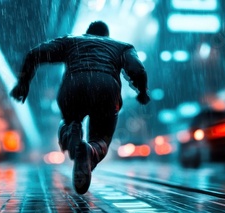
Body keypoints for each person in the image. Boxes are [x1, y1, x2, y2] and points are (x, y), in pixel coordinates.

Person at [10, 21, 150, 194]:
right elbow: (138, 69)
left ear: (87, 33)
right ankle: (91, 151)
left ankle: (72, 129)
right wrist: (142, 91)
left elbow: (34, 54)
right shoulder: (122, 47)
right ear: (106, 35)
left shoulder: (72, 41)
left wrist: (23, 83)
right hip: (106, 90)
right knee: (102, 137)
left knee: (69, 119)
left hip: (73, 89)